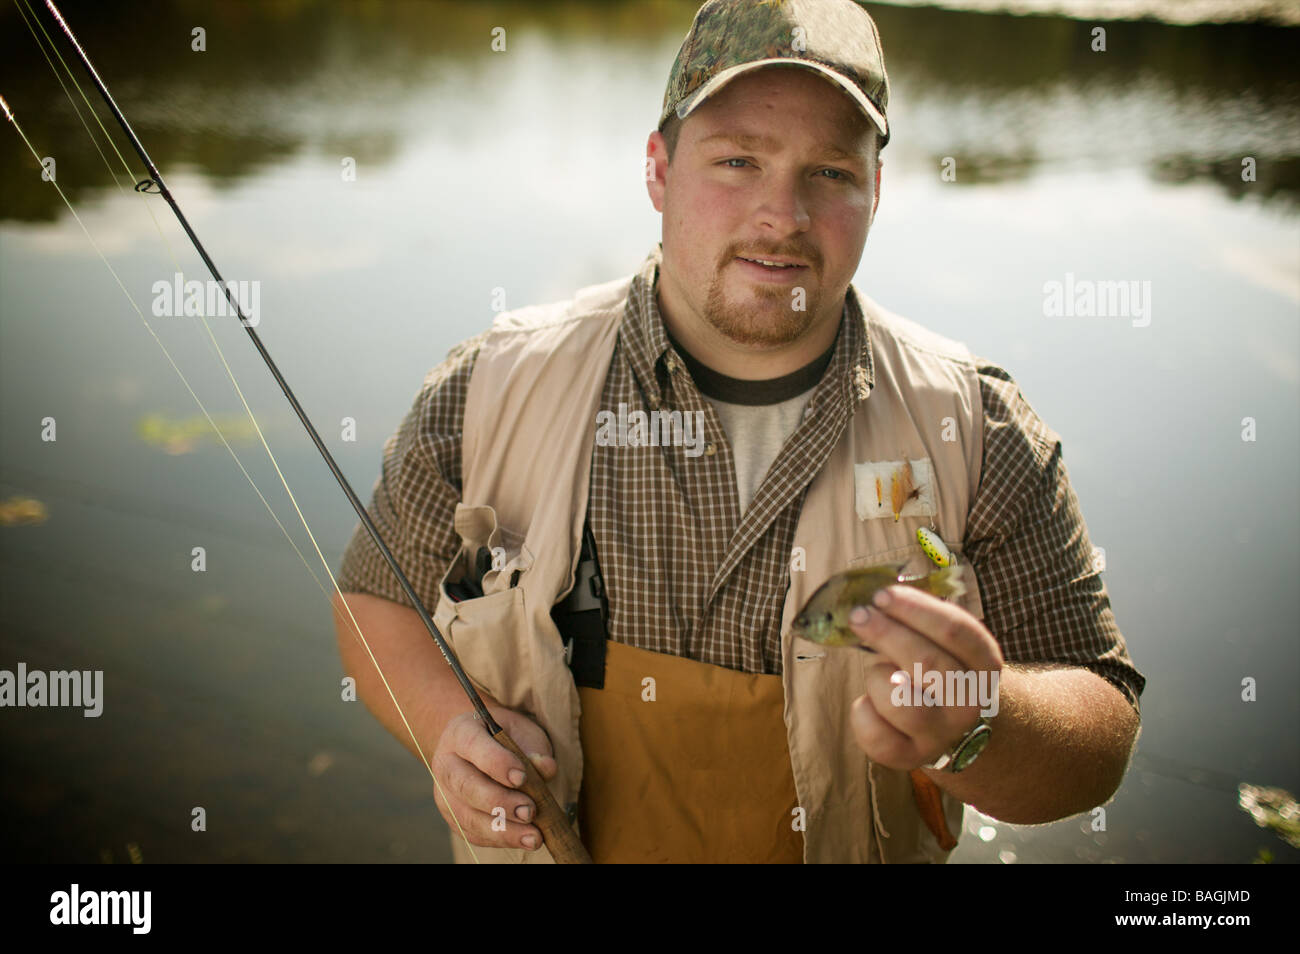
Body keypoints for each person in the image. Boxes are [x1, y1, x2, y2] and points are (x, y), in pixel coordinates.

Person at [332, 0, 1145, 864]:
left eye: (830, 172)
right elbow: (375, 599)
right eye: (737, 161)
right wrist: (444, 725)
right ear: (658, 168)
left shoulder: (979, 428)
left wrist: (982, 719)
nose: (781, 215)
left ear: (877, 190)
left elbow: (1102, 732)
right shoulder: (486, 388)